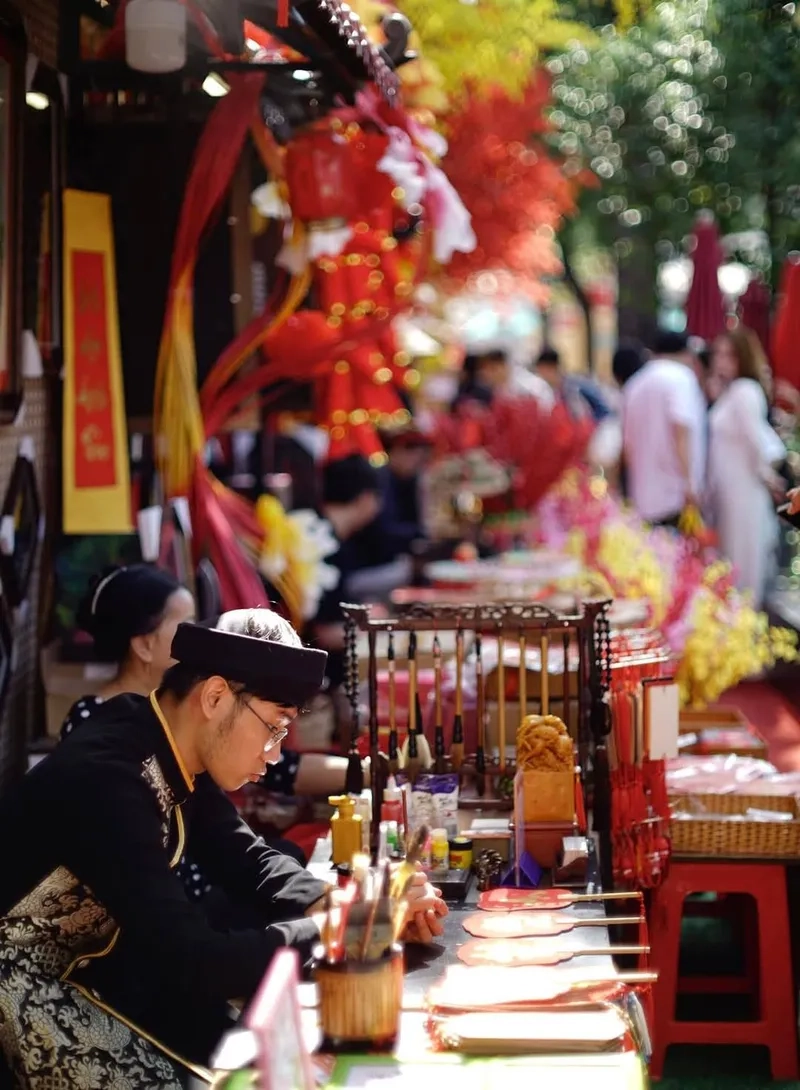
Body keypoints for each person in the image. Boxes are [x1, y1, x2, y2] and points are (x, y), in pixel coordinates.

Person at [0, 609, 446, 1085]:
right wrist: (348, 924)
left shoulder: (169, 746)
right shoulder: (108, 776)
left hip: (105, 966)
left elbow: (247, 858)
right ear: (214, 695)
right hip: (25, 987)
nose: (275, 753)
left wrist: (342, 902)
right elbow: (197, 960)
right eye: (275, 727)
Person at [64, 565, 372, 880]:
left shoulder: (176, 720)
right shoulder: (110, 732)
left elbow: (229, 827)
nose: (197, 630)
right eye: (183, 622)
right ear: (143, 644)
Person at [707, 328, 786, 606]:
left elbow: (760, 444)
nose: (721, 360)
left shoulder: (744, 391)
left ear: (743, 357)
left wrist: (767, 477)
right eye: (718, 353)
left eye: (729, 354)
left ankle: (743, 638)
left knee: (742, 570)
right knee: (732, 566)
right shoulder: (733, 391)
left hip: (743, 492)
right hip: (731, 492)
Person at [622, 330, 707, 527]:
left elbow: (627, 448)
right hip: (674, 494)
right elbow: (681, 429)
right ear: (685, 353)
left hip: (642, 495)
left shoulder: (635, 383)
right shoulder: (681, 378)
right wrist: (690, 484)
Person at [534, 346, 611, 422]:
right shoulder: (558, 389)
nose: (541, 376)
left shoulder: (571, 388)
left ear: (551, 368)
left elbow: (583, 417)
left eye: (542, 371)